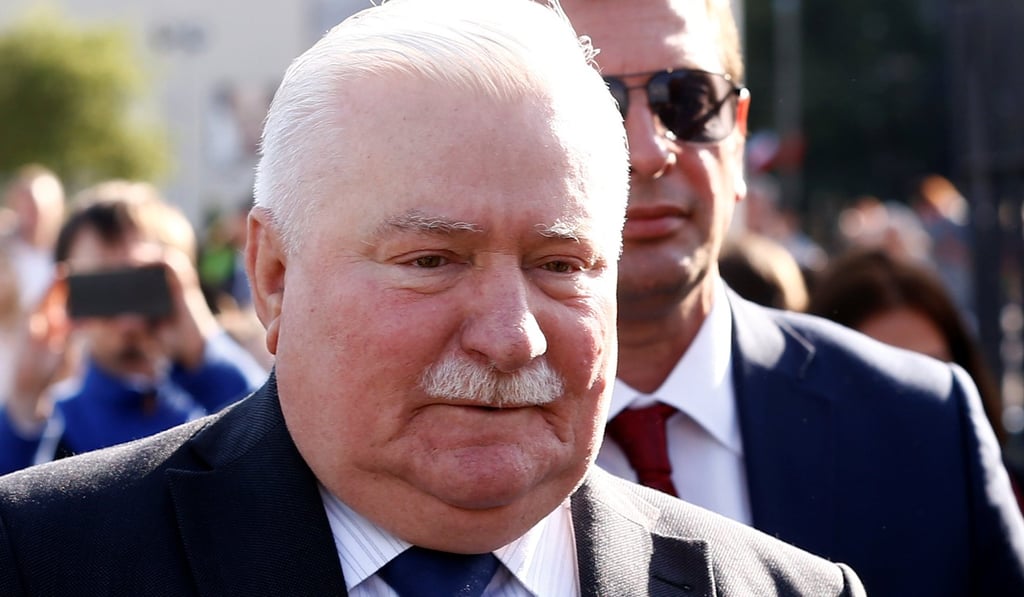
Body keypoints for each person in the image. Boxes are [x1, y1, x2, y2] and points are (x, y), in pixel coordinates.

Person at [0, 1, 866, 595]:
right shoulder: (42, 561)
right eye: (431, 260)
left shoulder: (783, 587)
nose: (510, 334)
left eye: (561, 263)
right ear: (273, 275)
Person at [557, 0, 1024, 595]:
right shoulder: (442, 445)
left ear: (740, 130)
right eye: (595, 107)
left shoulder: (926, 427)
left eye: (688, 100)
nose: (648, 151)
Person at [0, 180, 267, 474]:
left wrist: (203, 350)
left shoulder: (221, 400)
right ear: (66, 296)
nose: (127, 316)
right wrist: (23, 407)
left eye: (139, 284)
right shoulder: (57, 423)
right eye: (101, 288)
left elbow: (276, 454)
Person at [806, 247, 1024, 508]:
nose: (915, 401)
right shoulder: (791, 516)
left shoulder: (1010, 500)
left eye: (934, 373)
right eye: (882, 380)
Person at [1, 164, 65, 309]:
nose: (35, 215)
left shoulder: (67, 251)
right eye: (27, 206)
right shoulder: (4, 252)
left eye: (41, 208)